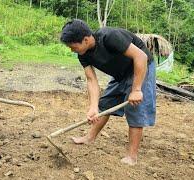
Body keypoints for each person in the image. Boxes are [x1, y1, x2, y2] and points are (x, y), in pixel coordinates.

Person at [60, 19, 156, 165]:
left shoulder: (109, 37)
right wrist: (93, 107)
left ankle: (132, 156)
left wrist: (136, 89)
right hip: (120, 73)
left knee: (134, 108)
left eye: (73, 46)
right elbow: (91, 80)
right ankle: (89, 138)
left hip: (141, 67)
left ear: (85, 39)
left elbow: (140, 56)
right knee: (105, 103)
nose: (71, 50)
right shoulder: (83, 54)